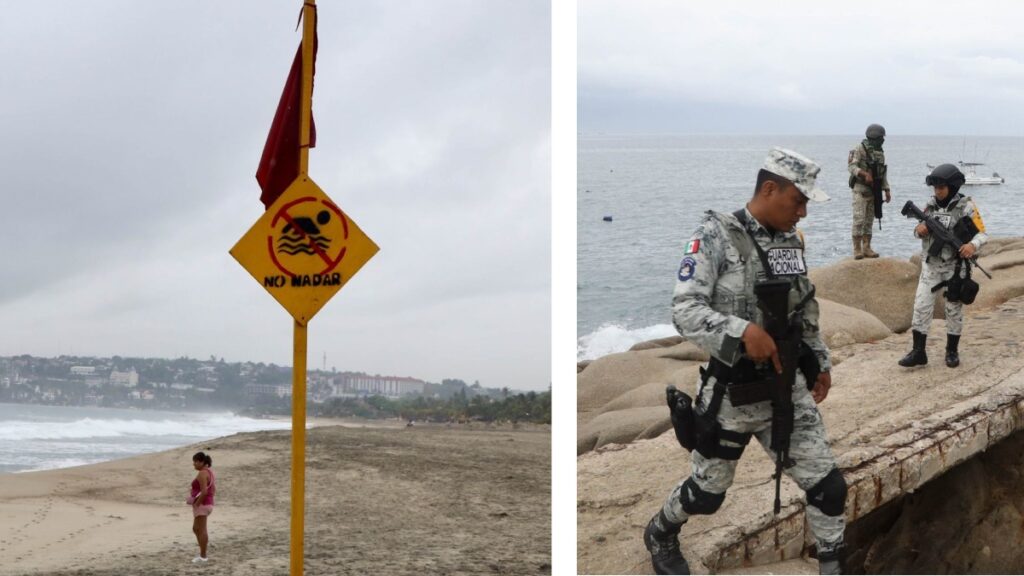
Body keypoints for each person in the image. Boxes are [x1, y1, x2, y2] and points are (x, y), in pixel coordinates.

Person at [644, 148, 847, 575]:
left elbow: (804, 308)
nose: (804, 212)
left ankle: (833, 566)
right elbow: (684, 310)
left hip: (784, 390)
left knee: (828, 487)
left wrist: (820, 362)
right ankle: (661, 531)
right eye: (799, 200)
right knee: (707, 495)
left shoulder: (792, 241)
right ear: (769, 189)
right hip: (731, 396)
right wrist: (740, 331)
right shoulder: (713, 236)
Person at [898, 163, 988, 369]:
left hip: (955, 269)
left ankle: (952, 351)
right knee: (921, 307)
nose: (937, 192)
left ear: (952, 187)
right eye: (935, 188)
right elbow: (917, 230)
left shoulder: (966, 207)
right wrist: (919, 230)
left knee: (953, 310)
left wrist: (971, 246)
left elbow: (983, 234)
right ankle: (918, 352)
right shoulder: (929, 206)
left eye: (941, 188)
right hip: (931, 267)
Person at [848, 123, 892, 259]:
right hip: (860, 190)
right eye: (880, 138)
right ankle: (857, 249)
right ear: (874, 137)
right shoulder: (859, 149)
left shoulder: (880, 154)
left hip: (874, 191)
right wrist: (863, 174)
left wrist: (887, 189)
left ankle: (866, 247)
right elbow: (851, 166)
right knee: (859, 219)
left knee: (869, 221)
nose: (883, 140)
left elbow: (882, 173)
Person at [188, 451, 216, 563]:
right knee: (196, 529)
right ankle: (202, 552)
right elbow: (213, 490)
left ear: (201, 462)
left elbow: (204, 492)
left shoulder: (202, 473)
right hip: (207, 504)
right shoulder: (210, 472)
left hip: (202, 505)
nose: (193, 464)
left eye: (195, 462)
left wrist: (197, 503)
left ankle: (203, 556)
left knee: (202, 529)